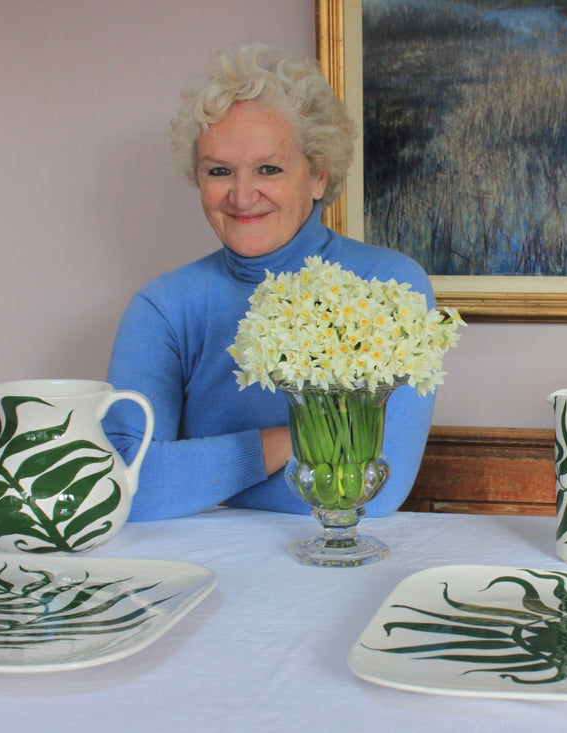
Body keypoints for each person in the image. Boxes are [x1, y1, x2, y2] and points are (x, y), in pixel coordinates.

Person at [103, 43, 436, 521]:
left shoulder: (387, 286)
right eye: (220, 171)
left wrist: (197, 482)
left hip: (337, 553)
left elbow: (373, 493)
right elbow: (120, 487)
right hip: (194, 558)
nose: (241, 196)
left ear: (318, 176)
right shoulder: (163, 307)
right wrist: (285, 441)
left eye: (269, 169)